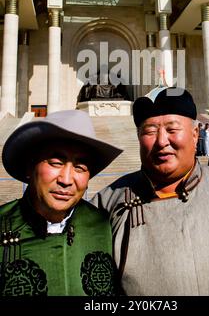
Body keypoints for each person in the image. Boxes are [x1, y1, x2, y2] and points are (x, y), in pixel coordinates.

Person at [92, 87, 209, 296]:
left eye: (172, 130)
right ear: (138, 138)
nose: (162, 141)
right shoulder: (104, 206)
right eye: (150, 131)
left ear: (194, 134)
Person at [0, 110, 122, 296]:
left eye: (80, 167)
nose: (66, 179)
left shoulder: (104, 226)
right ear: (30, 167)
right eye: (56, 162)